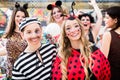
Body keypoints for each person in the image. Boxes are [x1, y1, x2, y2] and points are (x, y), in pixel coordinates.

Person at [51, 16, 111, 80]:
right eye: (68, 28)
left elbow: (105, 74)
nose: (73, 30)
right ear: (65, 33)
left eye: (76, 26)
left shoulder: (94, 51)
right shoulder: (62, 55)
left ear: (81, 28)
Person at [0, 2, 29, 79]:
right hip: (10, 71)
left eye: (23, 16)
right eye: (18, 16)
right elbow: (7, 50)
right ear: (13, 17)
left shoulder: (29, 33)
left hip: (25, 70)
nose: (20, 18)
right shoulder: (8, 33)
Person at [100, 6, 120, 80]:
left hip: (113, 74)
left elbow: (102, 60)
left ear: (115, 20)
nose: (105, 20)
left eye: (107, 17)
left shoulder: (108, 35)